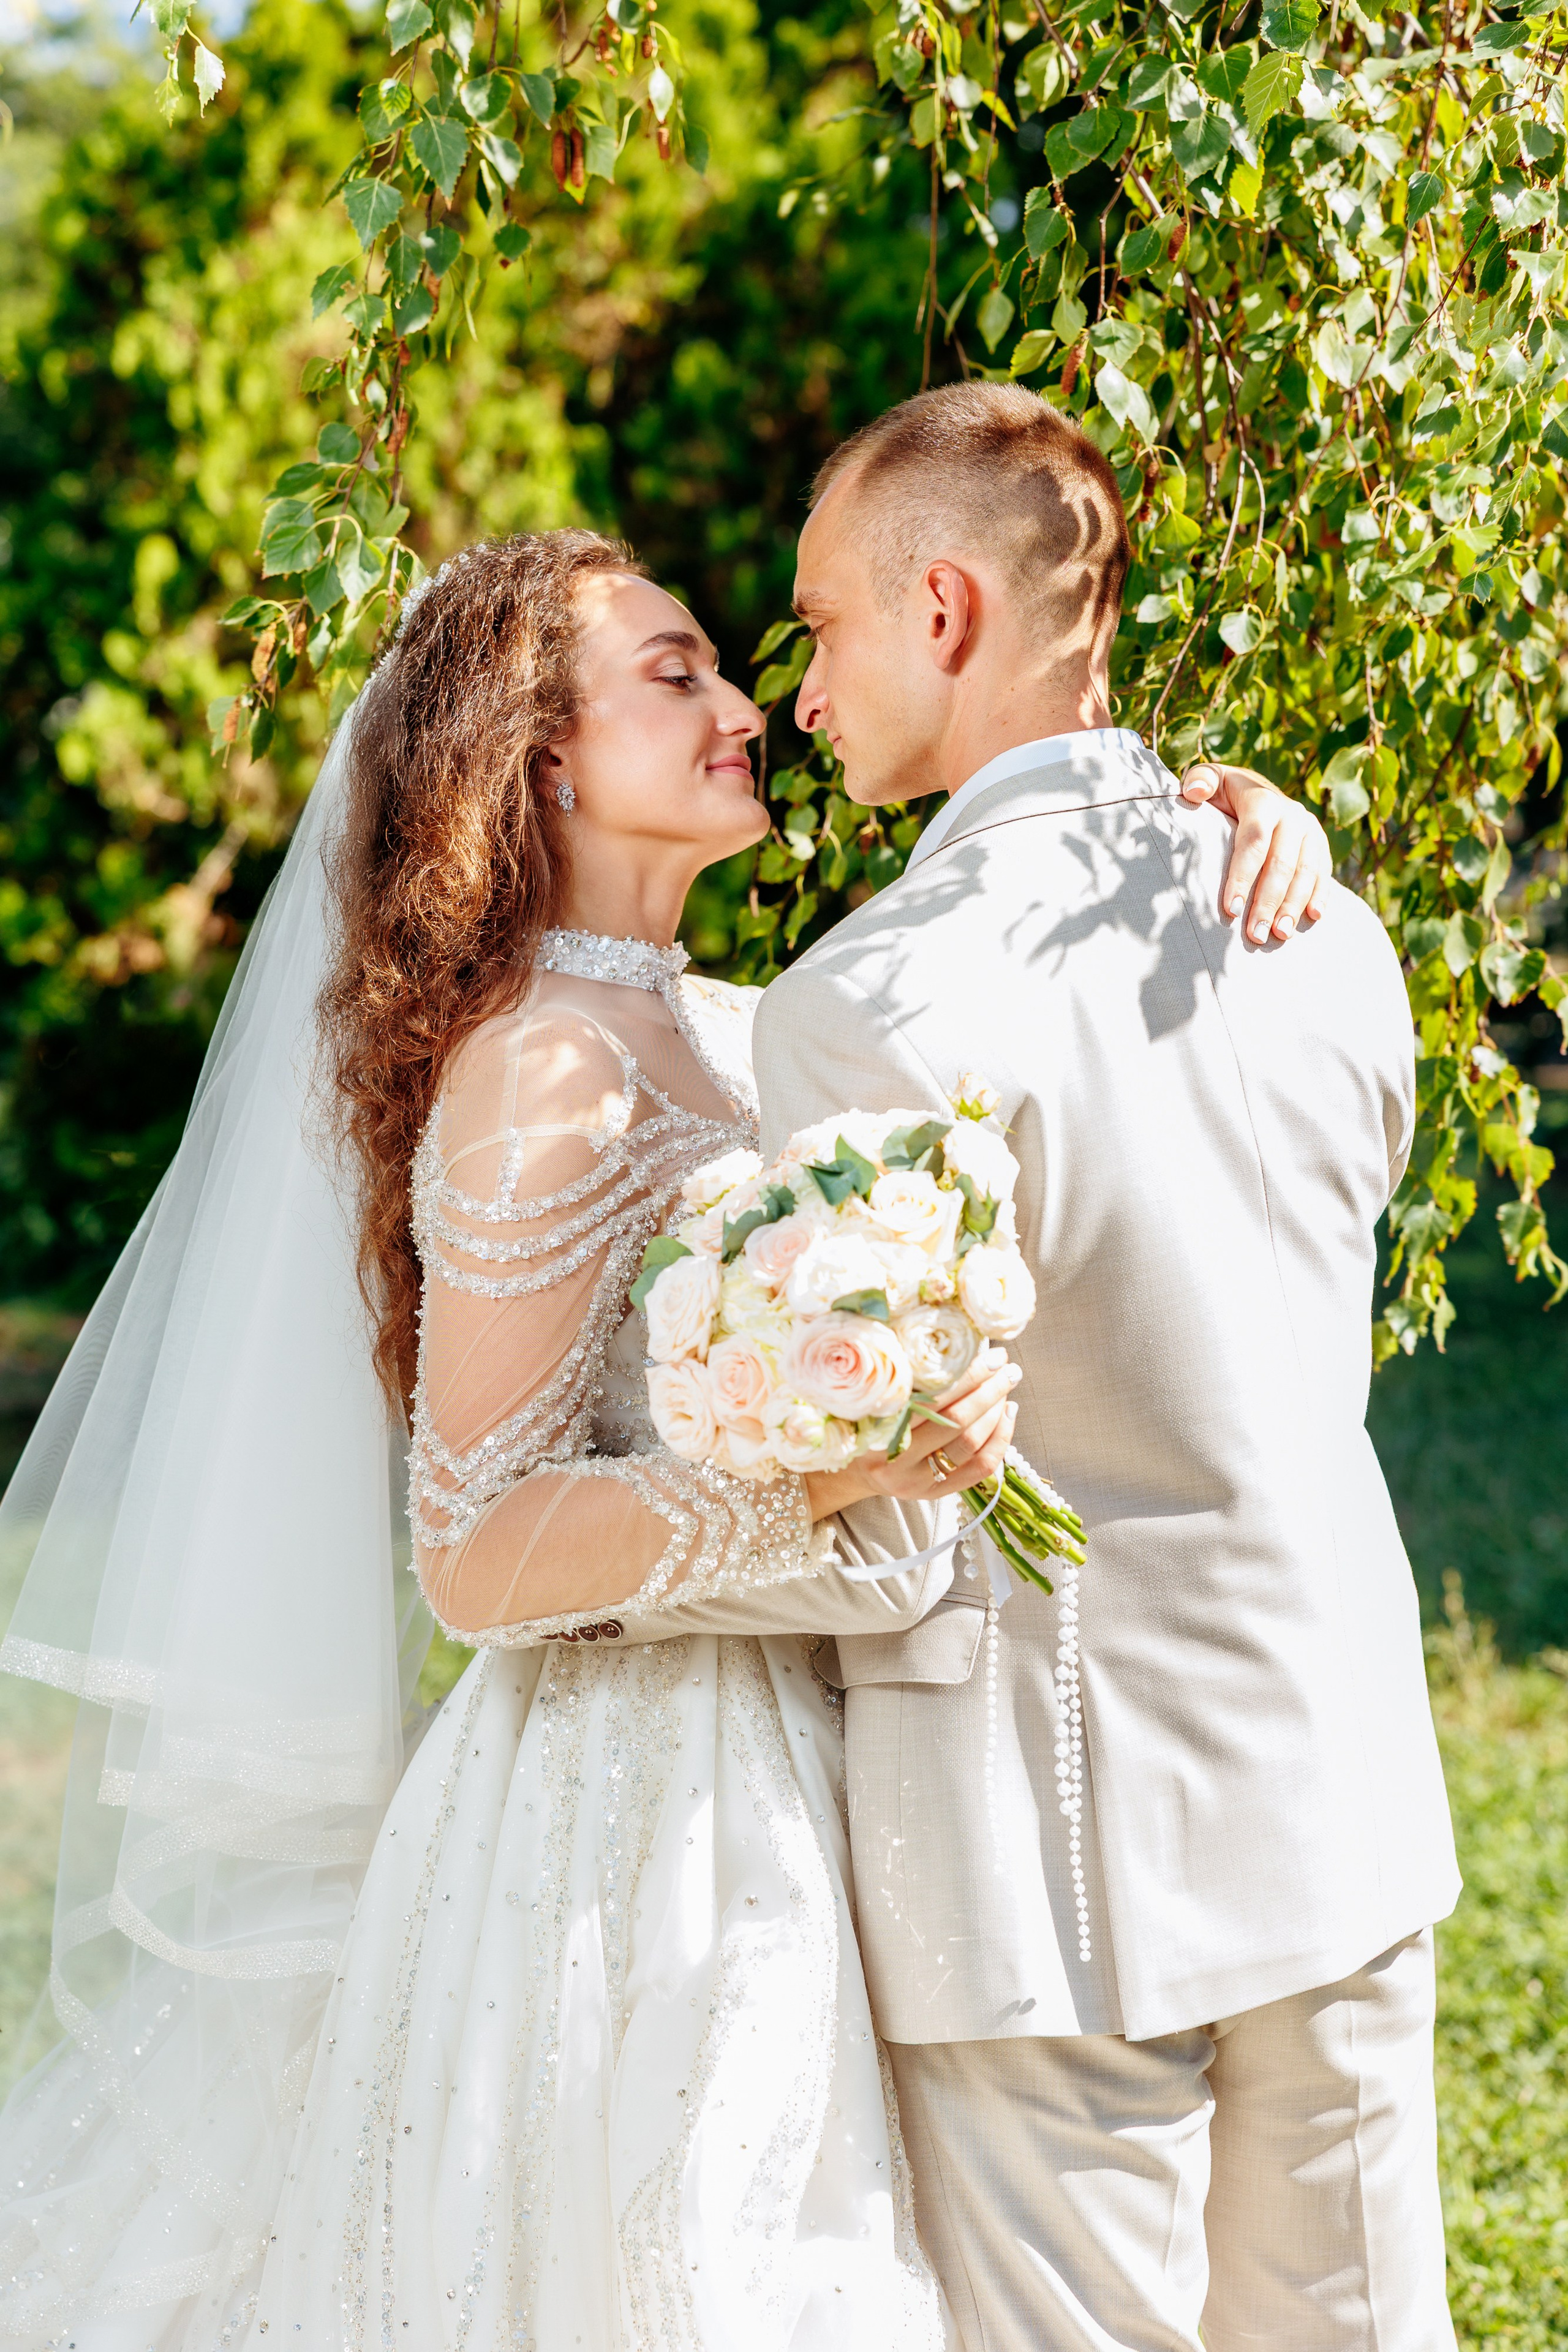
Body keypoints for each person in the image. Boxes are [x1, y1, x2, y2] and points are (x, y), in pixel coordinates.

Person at [0, 527, 1328, 2352]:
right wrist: (828, 1477)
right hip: (642, 1821)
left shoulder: (739, 1023)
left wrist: (1213, 828)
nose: (745, 709)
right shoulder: (540, 1067)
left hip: (833, 1755)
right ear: (543, 759)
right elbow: (475, 1551)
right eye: (677, 674)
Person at [753, 382, 1461, 2352]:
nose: (800, 691)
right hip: (1338, 1768)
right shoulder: (1328, 934)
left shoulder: (868, 1003)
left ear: (946, 611)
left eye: (820, 625)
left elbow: (874, 1502)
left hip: (1037, 1835)